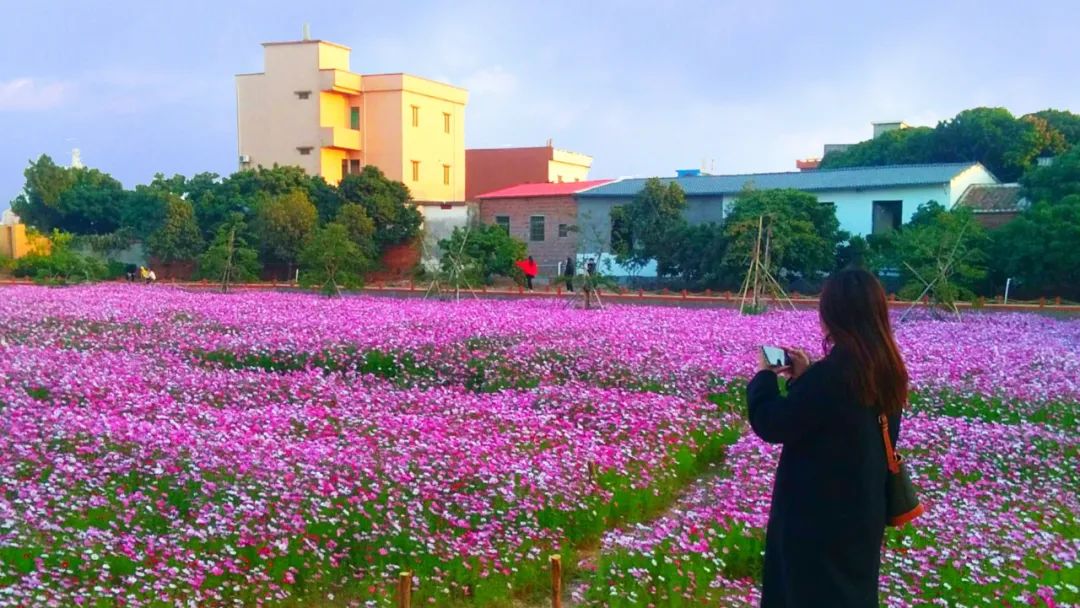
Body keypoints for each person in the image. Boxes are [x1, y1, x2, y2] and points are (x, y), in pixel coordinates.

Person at [746, 268, 909, 608]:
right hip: (862, 515)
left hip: (817, 522)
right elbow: (840, 421)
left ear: (834, 315)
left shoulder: (833, 376)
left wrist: (763, 378)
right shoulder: (888, 370)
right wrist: (805, 378)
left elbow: (773, 423)